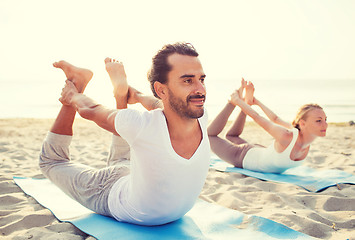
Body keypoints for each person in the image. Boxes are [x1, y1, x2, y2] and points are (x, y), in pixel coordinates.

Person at [39, 42, 210, 226]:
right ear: (161, 90)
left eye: (201, 79)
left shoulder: (197, 114)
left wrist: (135, 95)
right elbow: (90, 109)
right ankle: (80, 82)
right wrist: (72, 96)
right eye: (188, 80)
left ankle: (120, 94)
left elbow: (159, 104)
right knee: (51, 162)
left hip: (132, 175)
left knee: (128, 133)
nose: (200, 89)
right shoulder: (151, 124)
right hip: (108, 188)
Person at [208, 78, 328, 173]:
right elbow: (257, 117)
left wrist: (256, 102)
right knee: (209, 136)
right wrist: (236, 101)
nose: (325, 124)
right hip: (242, 156)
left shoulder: (302, 134)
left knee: (231, 136)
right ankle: (231, 102)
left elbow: (275, 119)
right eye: (319, 121)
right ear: (303, 123)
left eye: (325, 119)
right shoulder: (286, 136)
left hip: (258, 151)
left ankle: (245, 102)